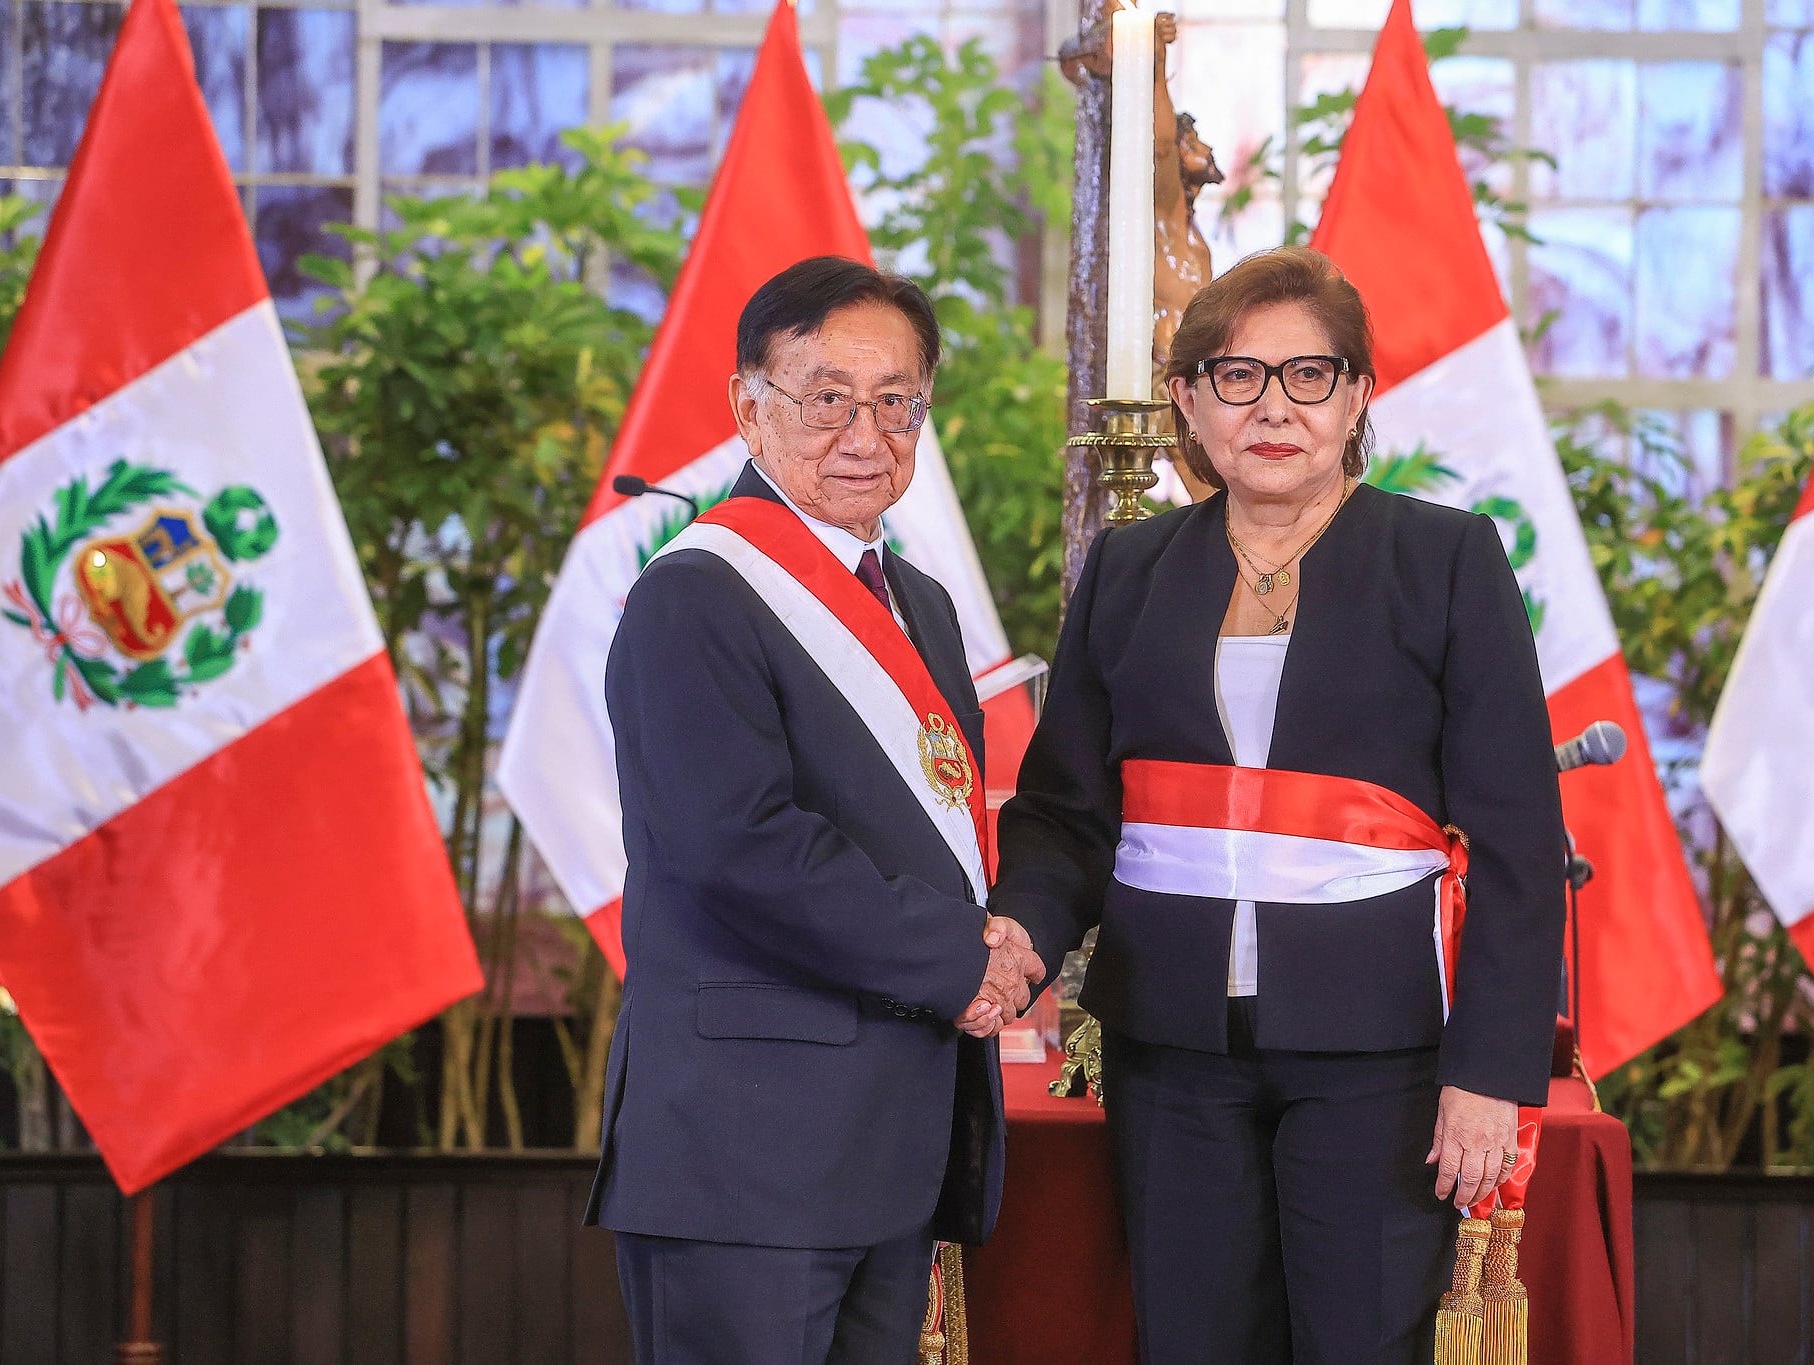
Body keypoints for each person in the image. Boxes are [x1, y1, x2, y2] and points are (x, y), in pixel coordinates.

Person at [992, 245, 1566, 1364]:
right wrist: (1018, 935)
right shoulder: (1128, 568)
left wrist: (1490, 1074)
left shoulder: (1443, 558)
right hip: (1169, 1047)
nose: (1272, 407)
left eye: (1309, 374)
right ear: (1187, 401)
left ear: (1356, 397)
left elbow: (1515, 842)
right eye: (1236, 375)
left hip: (1379, 1051)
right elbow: (1068, 812)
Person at [587, 255, 1046, 1365]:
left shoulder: (920, 604)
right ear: (749, 406)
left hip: (887, 1142)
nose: (863, 434)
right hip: (744, 1147)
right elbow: (737, 848)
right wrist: (961, 958)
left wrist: (1004, 936)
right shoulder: (693, 594)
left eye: (896, 401)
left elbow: (936, 829)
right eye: (826, 397)